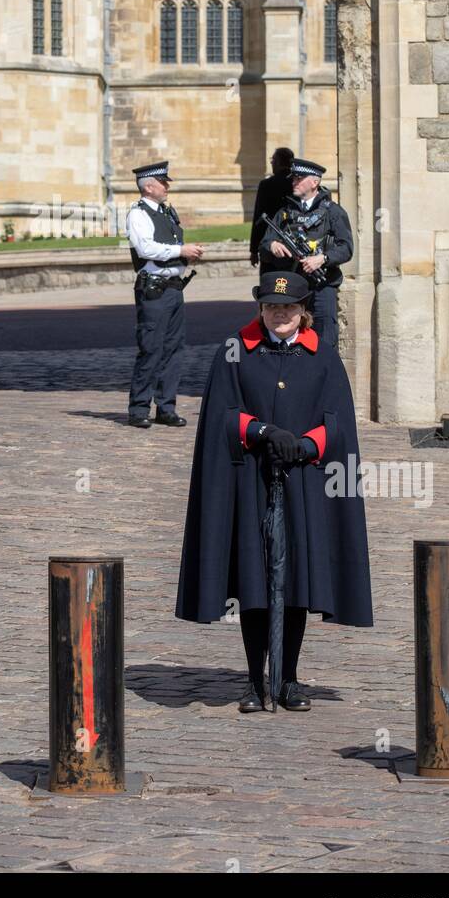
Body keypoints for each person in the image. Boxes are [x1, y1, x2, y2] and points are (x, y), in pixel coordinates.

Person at [175, 270, 373, 712]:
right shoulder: (234, 351)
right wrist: (260, 430)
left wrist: (308, 444)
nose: (279, 314)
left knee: (295, 581)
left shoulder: (323, 355)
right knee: (254, 580)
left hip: (303, 480)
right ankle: (252, 681)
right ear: (260, 308)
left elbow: (339, 421)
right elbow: (221, 415)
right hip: (251, 478)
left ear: (303, 312)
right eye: (271, 307)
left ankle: (288, 679)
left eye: (287, 308)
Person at [126, 160, 204, 429]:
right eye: (163, 182)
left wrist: (185, 257)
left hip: (173, 288)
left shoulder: (167, 212)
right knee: (151, 348)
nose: (167, 186)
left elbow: (171, 244)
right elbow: (146, 248)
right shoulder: (138, 214)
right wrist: (180, 252)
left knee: (173, 350)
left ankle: (166, 406)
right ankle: (138, 409)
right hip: (154, 290)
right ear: (148, 187)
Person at [257, 158, 353, 349]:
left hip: (321, 286)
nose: (293, 182)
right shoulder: (284, 213)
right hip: (291, 288)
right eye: (293, 179)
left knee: (324, 339)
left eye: (299, 179)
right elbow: (264, 245)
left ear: (314, 182)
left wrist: (322, 259)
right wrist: (272, 246)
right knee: (290, 338)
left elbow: (346, 248)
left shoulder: (332, 212)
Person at [249, 147, 294, 267]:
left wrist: (254, 250)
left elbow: (259, 218)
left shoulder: (267, 184)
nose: (271, 163)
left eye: (273, 160)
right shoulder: (298, 183)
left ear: (278, 162)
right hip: (295, 244)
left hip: (270, 244)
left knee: (271, 282)